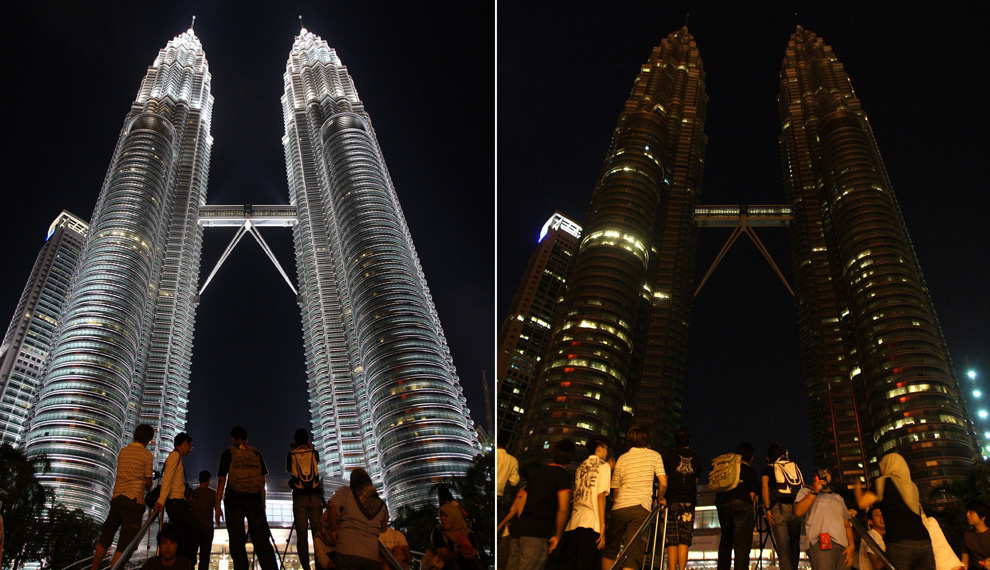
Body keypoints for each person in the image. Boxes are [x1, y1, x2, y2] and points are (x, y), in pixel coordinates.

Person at [500, 439, 574, 570]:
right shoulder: (563, 476)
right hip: (537, 533)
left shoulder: (537, 474)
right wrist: (557, 535)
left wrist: (524, 521)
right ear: (570, 459)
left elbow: (522, 500)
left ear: (553, 454)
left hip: (520, 530)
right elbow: (563, 509)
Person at [854, 453, 935, 570]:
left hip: (900, 543)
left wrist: (856, 485)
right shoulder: (913, 487)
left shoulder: (883, 482)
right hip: (924, 542)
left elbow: (862, 503)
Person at [602, 425, 667, 570]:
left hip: (619, 508)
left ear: (629, 441)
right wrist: (660, 498)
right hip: (640, 508)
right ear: (646, 439)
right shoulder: (655, 456)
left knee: (610, 550)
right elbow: (663, 483)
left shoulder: (622, 458)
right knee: (633, 554)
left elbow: (616, 490)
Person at [93, 424, 155, 570]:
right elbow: (148, 483)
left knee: (106, 537)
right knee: (125, 542)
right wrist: (148, 484)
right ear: (148, 439)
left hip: (117, 498)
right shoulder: (147, 456)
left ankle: (94, 568)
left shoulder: (123, 452)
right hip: (134, 500)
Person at [215, 426, 278, 570]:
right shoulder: (256, 453)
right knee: (262, 541)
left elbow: (221, 481)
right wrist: (263, 507)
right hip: (254, 500)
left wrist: (217, 506)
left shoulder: (228, 453)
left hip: (233, 500)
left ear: (232, 439)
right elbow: (262, 482)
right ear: (247, 439)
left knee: (237, 542)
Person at [558, 437, 611, 570]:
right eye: (606, 448)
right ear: (599, 447)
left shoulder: (580, 467)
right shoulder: (604, 466)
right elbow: (600, 496)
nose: (607, 452)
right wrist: (603, 527)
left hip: (573, 524)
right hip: (592, 523)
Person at [327, 468, 388, 570]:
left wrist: (333, 530)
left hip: (347, 552)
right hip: (372, 557)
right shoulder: (380, 504)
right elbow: (383, 528)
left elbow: (331, 505)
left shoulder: (347, 491)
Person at [794, 468, 854, 570]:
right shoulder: (806, 491)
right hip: (821, 541)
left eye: (828, 472)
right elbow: (798, 511)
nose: (825, 474)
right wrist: (814, 491)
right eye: (823, 472)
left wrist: (851, 546)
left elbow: (847, 525)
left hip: (842, 545)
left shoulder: (838, 497)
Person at [715, 442, 759, 570]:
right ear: (751, 457)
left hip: (722, 504)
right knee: (742, 544)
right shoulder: (751, 472)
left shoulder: (727, 468)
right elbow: (751, 496)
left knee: (726, 541)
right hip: (741, 505)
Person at [156, 433, 198, 564]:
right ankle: (185, 563)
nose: (189, 450)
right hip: (175, 503)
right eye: (189, 446)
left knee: (183, 535)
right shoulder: (174, 456)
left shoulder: (177, 457)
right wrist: (161, 500)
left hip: (178, 502)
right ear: (185, 443)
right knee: (193, 533)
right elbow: (167, 478)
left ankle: (183, 562)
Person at [761, 442, 804, 570]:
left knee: (783, 547)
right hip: (796, 508)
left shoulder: (768, 468)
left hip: (778, 509)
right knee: (795, 542)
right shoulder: (792, 466)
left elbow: (764, 487)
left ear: (768, 458)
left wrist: (767, 509)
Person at [663, 428, 701, 570]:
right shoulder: (696, 457)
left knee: (671, 539)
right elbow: (695, 480)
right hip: (688, 501)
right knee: (684, 539)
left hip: (671, 499)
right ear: (689, 440)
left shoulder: (668, 455)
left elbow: (665, 478)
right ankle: (682, 568)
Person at [287, 428, 324, 570]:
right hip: (315, 497)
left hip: (299, 498)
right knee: (318, 533)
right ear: (307, 439)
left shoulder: (291, 455)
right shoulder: (314, 453)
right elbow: (315, 456)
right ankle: (320, 564)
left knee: (301, 536)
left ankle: (306, 567)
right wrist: (308, 445)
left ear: (295, 440)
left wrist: (294, 448)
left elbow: (288, 470)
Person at [429, 502, 479, 570]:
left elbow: (474, 552)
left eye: (446, 515)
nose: (442, 518)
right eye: (441, 515)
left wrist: (470, 552)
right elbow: (444, 556)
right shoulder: (438, 532)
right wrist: (458, 553)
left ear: (455, 517)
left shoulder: (468, 534)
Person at [187, 470, 216, 570]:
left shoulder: (193, 493)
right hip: (207, 527)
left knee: (192, 554)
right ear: (208, 480)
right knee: (205, 556)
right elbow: (217, 508)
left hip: (194, 528)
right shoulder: (213, 493)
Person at [962, 501, 990, 570]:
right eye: (968, 511)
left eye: (971, 512)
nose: (967, 514)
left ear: (983, 517)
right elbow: (965, 562)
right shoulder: (967, 535)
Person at [858, 506, 886, 570]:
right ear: (871, 521)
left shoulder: (878, 536)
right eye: (877, 514)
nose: (881, 517)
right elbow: (877, 565)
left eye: (883, 514)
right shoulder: (872, 535)